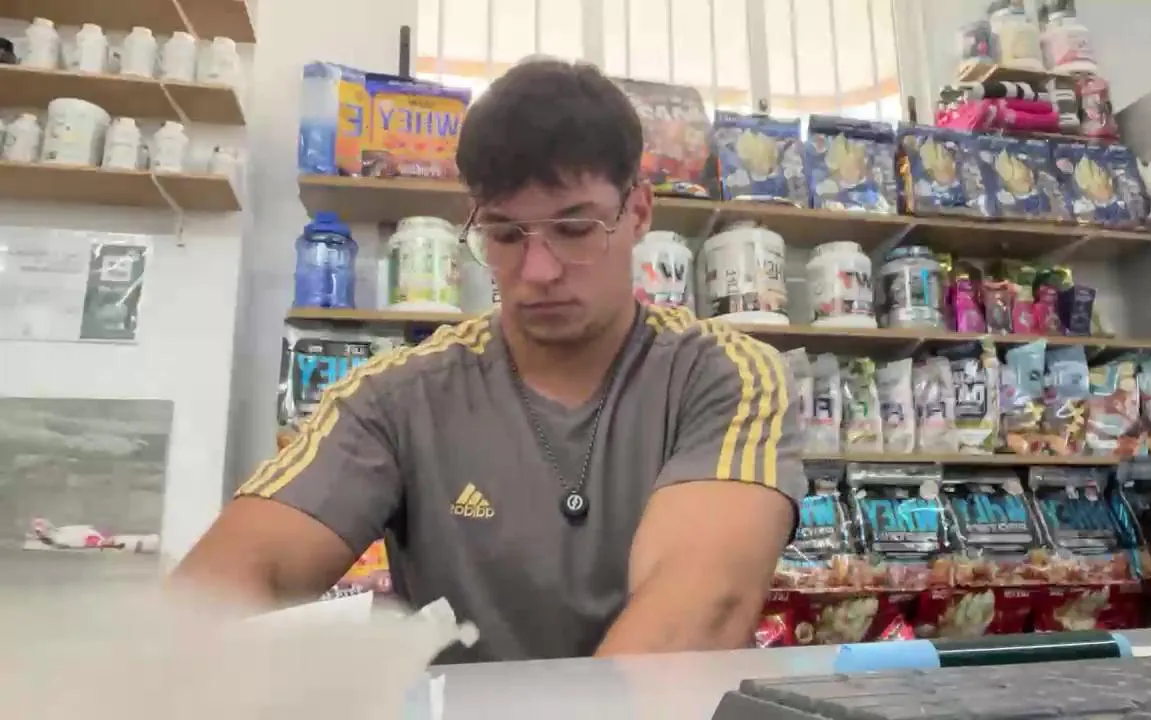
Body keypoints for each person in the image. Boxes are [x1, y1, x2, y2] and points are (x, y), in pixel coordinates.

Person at [174, 59, 805, 663]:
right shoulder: (396, 398)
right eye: (505, 235)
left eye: (575, 229)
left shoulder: (726, 375)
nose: (539, 271)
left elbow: (697, 611)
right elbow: (217, 592)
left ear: (637, 213)